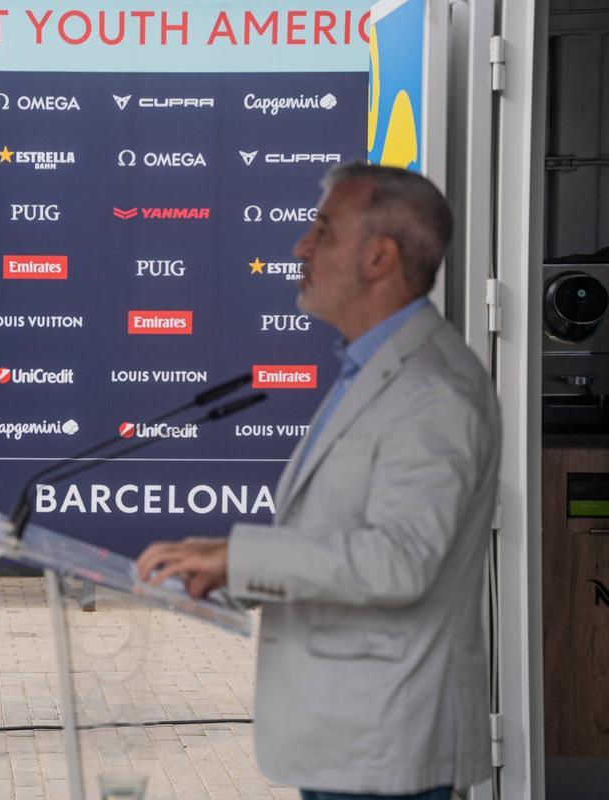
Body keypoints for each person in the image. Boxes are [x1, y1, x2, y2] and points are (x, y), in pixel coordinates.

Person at [137, 163, 500, 799]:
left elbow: (398, 562)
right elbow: (337, 537)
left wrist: (241, 555)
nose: (301, 246)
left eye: (322, 231)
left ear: (379, 257)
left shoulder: (433, 388)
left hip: (384, 748)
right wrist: (233, 571)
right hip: (350, 740)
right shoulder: (372, 366)